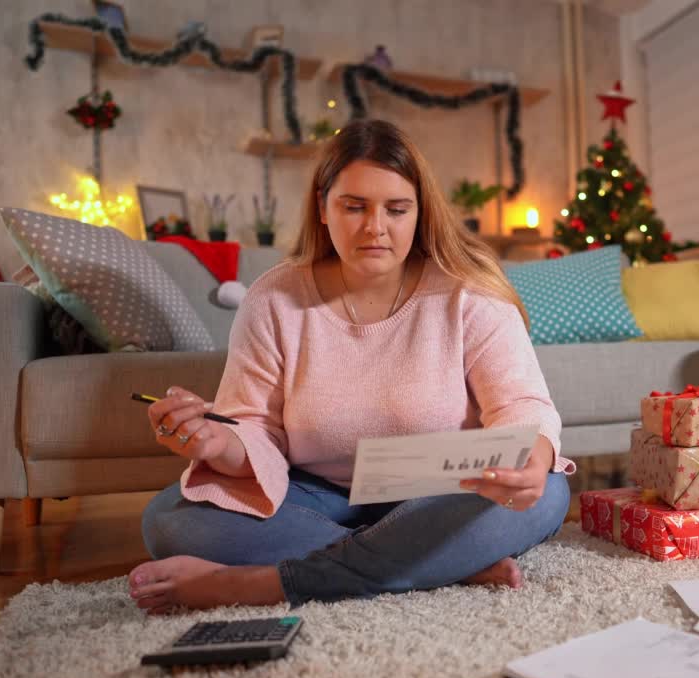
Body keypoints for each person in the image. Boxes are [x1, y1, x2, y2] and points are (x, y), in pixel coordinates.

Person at [128, 119, 572, 614]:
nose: (374, 227)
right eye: (354, 206)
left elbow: (522, 406)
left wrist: (530, 455)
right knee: (168, 520)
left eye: (397, 209)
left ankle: (259, 584)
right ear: (322, 207)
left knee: (550, 491)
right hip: (314, 494)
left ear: (420, 213)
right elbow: (253, 428)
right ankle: (437, 562)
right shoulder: (273, 298)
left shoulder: (468, 294)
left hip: (436, 491)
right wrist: (214, 441)